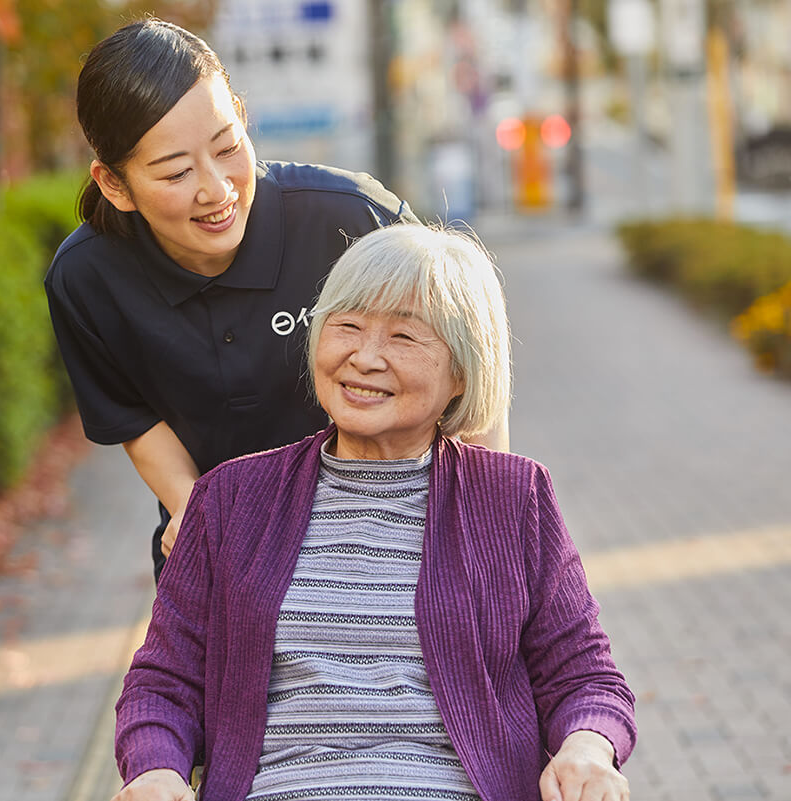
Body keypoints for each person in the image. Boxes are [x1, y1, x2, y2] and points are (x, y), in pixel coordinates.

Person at [112, 223, 636, 801]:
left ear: (462, 372)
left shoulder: (514, 498)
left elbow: (584, 676)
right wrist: (154, 771)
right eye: (348, 326)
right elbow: (163, 682)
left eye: (404, 338)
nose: (364, 357)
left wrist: (587, 747)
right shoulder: (231, 497)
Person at [44, 17, 508, 582]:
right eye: (175, 173)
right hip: (226, 550)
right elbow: (134, 420)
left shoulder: (350, 218)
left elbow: (469, 366)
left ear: (242, 116)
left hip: (394, 539)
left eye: (227, 147)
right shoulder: (87, 277)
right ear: (114, 185)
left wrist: (485, 533)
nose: (216, 189)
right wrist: (200, 517)